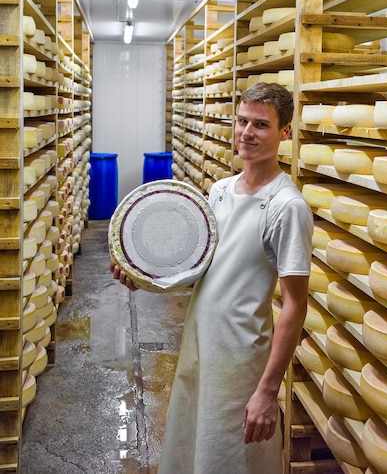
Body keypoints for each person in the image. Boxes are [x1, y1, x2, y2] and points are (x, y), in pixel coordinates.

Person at [110, 82, 313, 474]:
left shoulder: (288, 207)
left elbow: (295, 305)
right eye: (241, 121)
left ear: (285, 132)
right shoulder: (219, 191)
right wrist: (142, 276)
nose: (246, 133)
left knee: (231, 457)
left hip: (240, 358)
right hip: (199, 344)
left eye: (261, 125)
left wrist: (268, 391)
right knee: (191, 449)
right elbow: (199, 271)